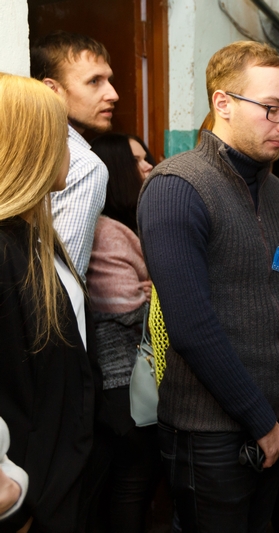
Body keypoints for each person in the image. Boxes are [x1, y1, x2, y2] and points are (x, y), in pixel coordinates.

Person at [138, 41, 279, 533]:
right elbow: (191, 327)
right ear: (223, 103)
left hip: (274, 421)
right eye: (272, 109)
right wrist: (260, 422)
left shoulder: (275, 190)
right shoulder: (177, 187)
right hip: (210, 433)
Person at [0, 73, 102, 532]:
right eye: (63, 136)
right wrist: (16, 505)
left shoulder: (36, 237)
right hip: (30, 499)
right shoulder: (4, 249)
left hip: (60, 484)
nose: (72, 150)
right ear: (32, 145)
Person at [85, 133, 159, 533]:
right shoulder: (107, 231)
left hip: (129, 383)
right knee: (130, 485)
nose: (148, 166)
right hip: (121, 385)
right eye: (137, 161)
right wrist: (157, 294)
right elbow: (124, 306)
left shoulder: (129, 224)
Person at [31, 31, 119, 277]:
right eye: (94, 81)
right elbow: (65, 280)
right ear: (52, 90)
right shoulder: (85, 166)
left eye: (109, 80)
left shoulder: (24, 145)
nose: (113, 94)